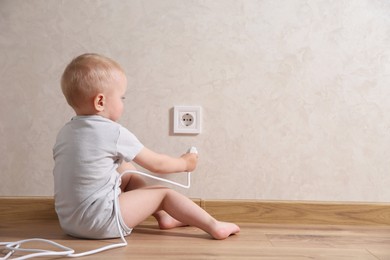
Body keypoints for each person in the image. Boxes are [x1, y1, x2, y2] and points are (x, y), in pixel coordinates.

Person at [53, 53, 240, 240]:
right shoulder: (112, 132)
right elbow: (157, 164)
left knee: (126, 169)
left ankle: (165, 216)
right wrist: (185, 163)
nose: (122, 102)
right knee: (163, 194)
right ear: (100, 102)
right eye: (121, 97)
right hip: (100, 222)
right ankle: (214, 226)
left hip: (70, 223)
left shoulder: (66, 132)